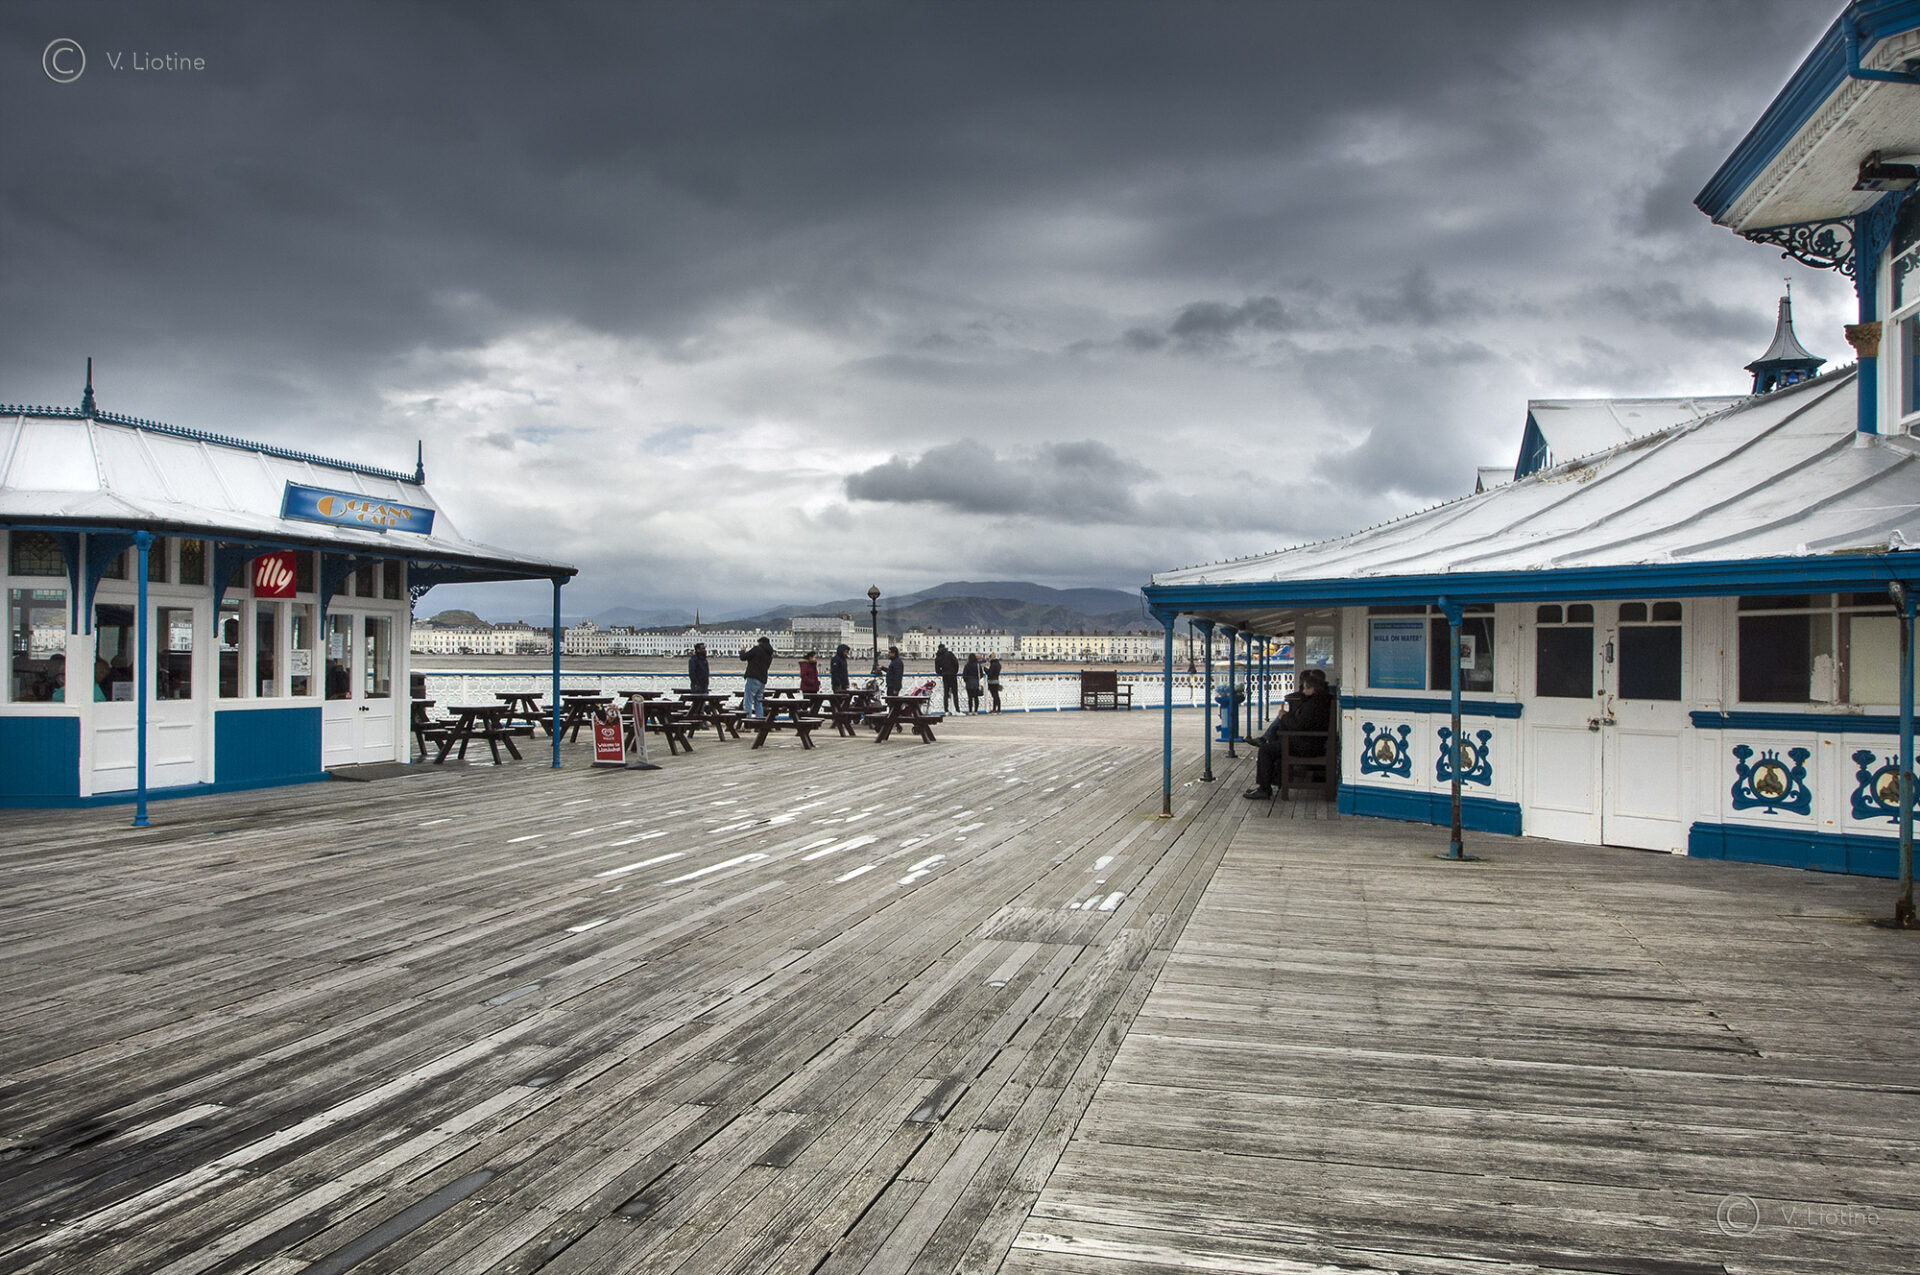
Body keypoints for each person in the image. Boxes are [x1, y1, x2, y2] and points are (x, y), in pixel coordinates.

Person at [1243, 667, 1332, 799]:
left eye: (1305, 688)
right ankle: (1274, 779)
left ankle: (1264, 788)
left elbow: (1298, 726)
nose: (1303, 691)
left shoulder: (1314, 704)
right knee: (1274, 734)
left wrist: (1284, 717)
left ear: (1312, 689)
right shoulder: (1321, 699)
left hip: (1306, 745)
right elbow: (1303, 723)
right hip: (1311, 742)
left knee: (1265, 750)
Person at [741, 636, 774, 718]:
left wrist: (742, 651)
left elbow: (743, 657)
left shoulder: (757, 649)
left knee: (748, 700)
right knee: (758, 701)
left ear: (760, 642)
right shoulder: (769, 654)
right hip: (763, 679)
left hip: (753, 677)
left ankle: (748, 720)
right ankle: (759, 720)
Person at [934, 643, 960, 713]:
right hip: (952, 675)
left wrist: (942, 673)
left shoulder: (938, 657)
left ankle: (946, 710)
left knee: (946, 693)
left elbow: (937, 669)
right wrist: (955, 671)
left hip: (945, 676)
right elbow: (956, 663)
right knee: (955, 693)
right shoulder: (950, 654)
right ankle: (957, 710)